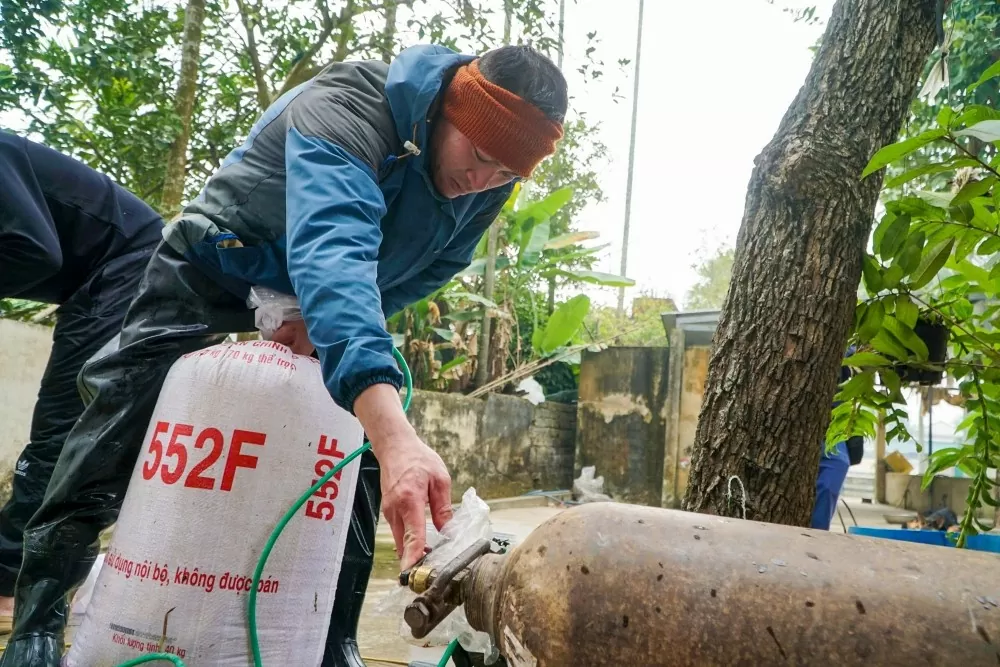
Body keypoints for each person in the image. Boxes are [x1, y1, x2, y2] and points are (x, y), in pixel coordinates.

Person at [0, 43, 567, 666]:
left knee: (361, 456)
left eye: (509, 173)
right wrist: (385, 416)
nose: (484, 181)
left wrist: (327, 332)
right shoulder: (349, 107)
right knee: (115, 416)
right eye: (481, 155)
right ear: (448, 112)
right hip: (220, 256)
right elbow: (332, 245)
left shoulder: (488, 183)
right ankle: (37, 617)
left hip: (326, 298)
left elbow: (429, 268)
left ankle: (334, 642)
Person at [0, 130, 164, 624]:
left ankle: (10, 584)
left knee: (62, 428)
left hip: (128, 262)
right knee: (68, 427)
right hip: (93, 278)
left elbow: (34, 250)